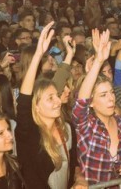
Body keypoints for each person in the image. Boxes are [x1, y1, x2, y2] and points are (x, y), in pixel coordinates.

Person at [18, 21, 79, 189]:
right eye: (50, 98)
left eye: (56, 96)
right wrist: (38, 55)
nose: (58, 101)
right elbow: (24, 101)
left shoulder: (67, 129)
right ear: (36, 106)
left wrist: (80, 179)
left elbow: (74, 165)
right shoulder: (29, 133)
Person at [73, 29, 121, 185]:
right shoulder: (86, 126)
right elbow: (81, 102)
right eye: (103, 95)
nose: (111, 98)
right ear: (91, 102)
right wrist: (98, 61)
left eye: (111, 92)